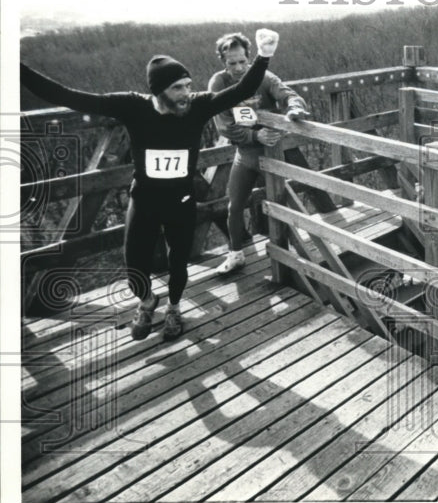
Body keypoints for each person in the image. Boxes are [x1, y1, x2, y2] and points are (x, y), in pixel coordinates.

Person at [21, 29, 284, 341]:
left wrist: (264, 54)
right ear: (159, 91)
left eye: (188, 85)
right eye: (177, 88)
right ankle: (147, 301)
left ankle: (173, 307)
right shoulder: (134, 107)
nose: (187, 92)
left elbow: (242, 89)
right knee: (134, 265)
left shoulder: (197, 106)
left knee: (178, 261)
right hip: (144, 199)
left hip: (182, 201)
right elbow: (66, 96)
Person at [209, 32, 309, 275]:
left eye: (243, 61)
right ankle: (235, 254)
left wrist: (294, 109)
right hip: (245, 155)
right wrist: (255, 136)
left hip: (272, 155)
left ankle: (298, 256)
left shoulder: (263, 77)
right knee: (234, 206)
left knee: (284, 205)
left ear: (249, 57)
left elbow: (288, 94)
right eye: (232, 63)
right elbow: (223, 125)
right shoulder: (219, 83)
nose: (239, 68)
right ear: (223, 61)